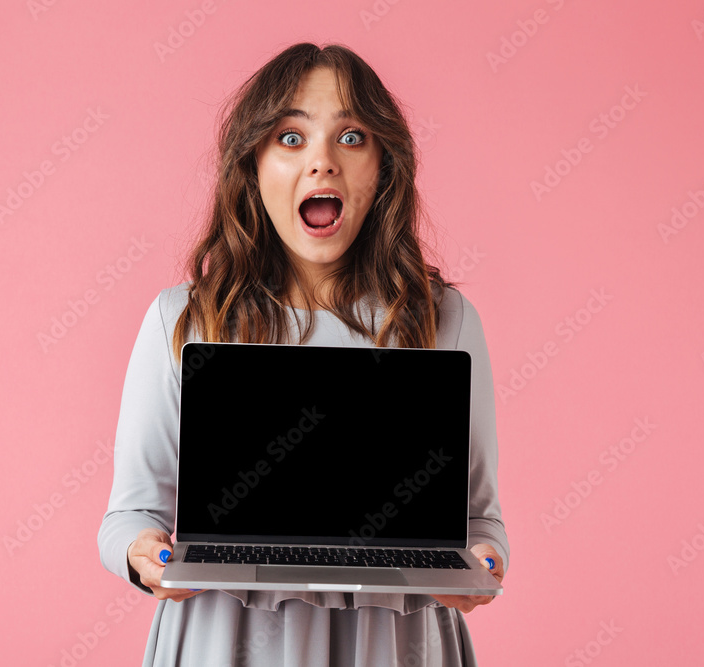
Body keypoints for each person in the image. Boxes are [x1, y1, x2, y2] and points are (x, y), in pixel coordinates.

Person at [97, 42, 509, 666]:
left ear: (384, 165)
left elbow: (480, 522)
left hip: (393, 645)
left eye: (351, 137)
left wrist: (480, 563)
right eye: (291, 138)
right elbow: (129, 516)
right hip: (224, 641)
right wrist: (144, 553)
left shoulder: (443, 320)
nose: (322, 163)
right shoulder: (183, 319)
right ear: (254, 163)